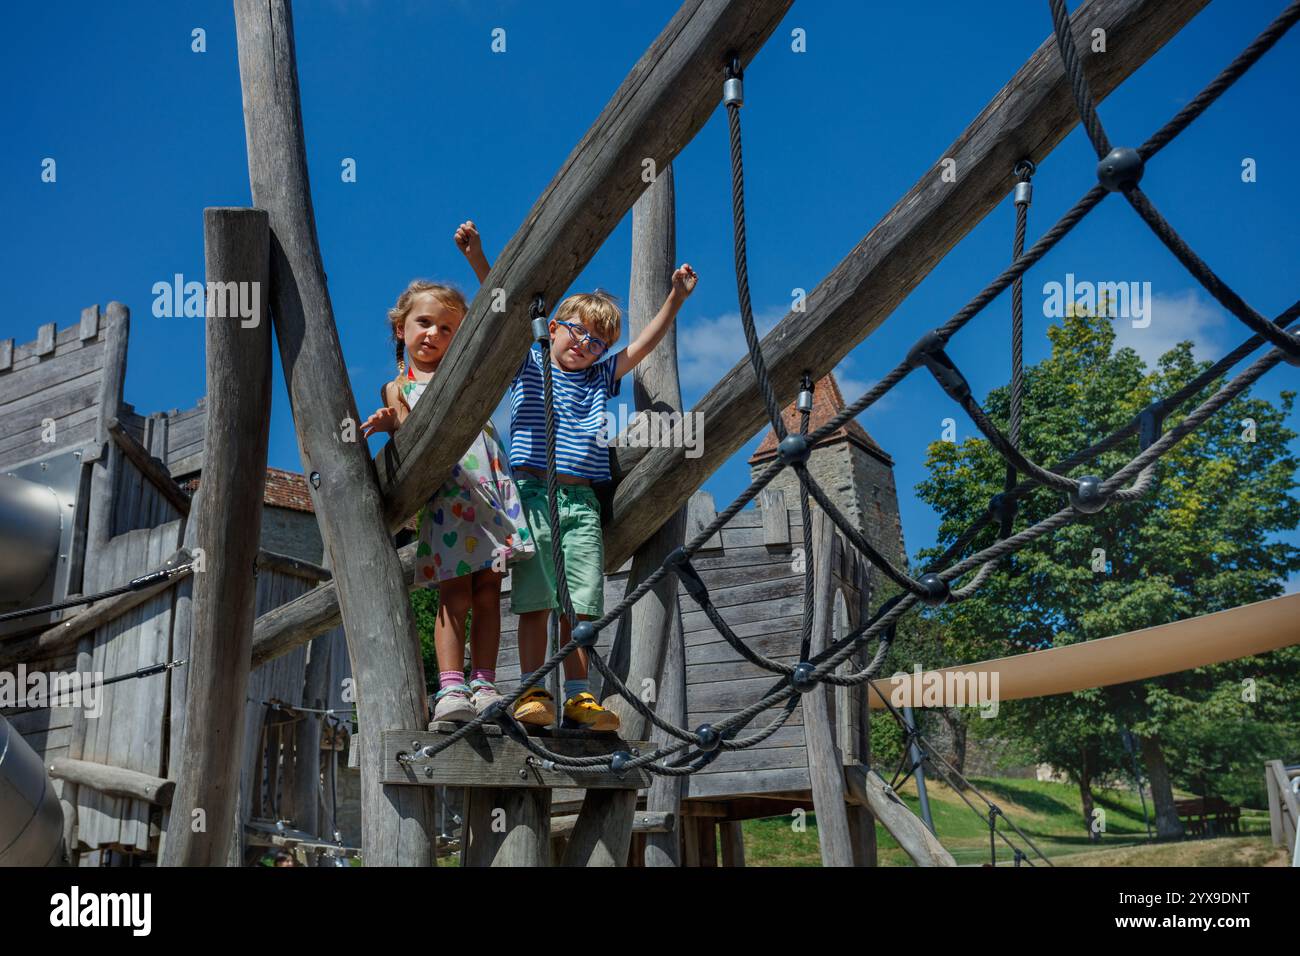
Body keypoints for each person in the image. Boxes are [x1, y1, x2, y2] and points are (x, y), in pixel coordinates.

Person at [453, 220, 698, 731]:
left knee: (580, 604)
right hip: (531, 496)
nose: (585, 344)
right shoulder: (529, 359)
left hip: (581, 501)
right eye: (578, 331)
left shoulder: (598, 378)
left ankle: (580, 696)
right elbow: (503, 302)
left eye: (597, 341)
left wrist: (674, 300)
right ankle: (534, 688)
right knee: (536, 599)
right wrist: (478, 255)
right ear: (556, 327)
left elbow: (643, 347)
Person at [362, 276, 536, 723]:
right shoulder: (397, 388)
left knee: (489, 591)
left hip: (488, 491)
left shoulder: (466, 375)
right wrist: (388, 423)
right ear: (401, 328)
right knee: (454, 593)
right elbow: (406, 429)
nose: (433, 335)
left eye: (447, 329)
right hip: (449, 498)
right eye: (424, 323)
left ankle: (485, 682)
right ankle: (451, 687)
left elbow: (502, 331)